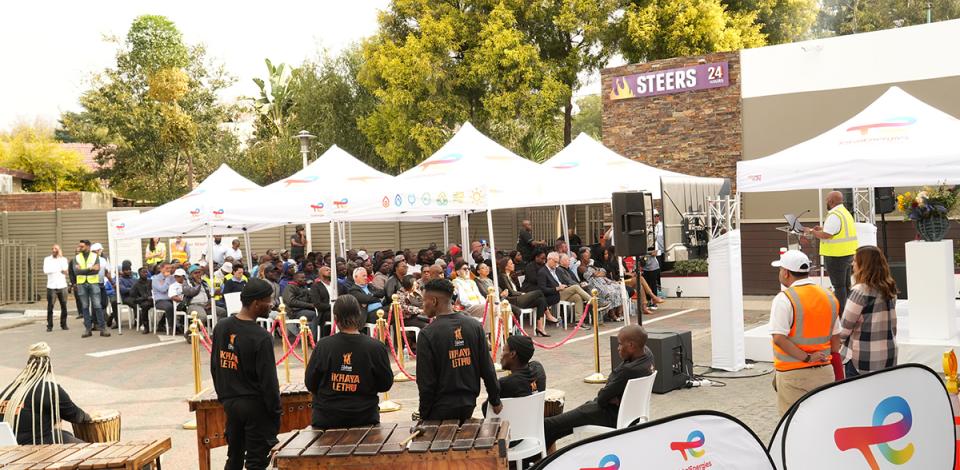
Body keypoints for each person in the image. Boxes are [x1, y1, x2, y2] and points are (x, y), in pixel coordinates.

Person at [210, 279, 281, 470]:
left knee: (234, 457)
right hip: (255, 406)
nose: (271, 304)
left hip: (231, 404)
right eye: (268, 300)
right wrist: (275, 413)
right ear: (256, 303)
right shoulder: (262, 337)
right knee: (256, 462)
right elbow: (269, 382)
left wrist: (224, 398)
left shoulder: (222, 327)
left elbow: (215, 367)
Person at [544, 325, 655, 448]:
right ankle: (547, 446)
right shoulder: (648, 355)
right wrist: (613, 395)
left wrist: (610, 393)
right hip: (630, 414)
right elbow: (608, 393)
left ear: (631, 345)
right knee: (562, 426)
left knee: (551, 424)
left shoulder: (627, 371)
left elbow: (602, 398)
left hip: (612, 415)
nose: (618, 348)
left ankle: (533, 455)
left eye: (620, 344)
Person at [416, 279, 502, 422]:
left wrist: (424, 416)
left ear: (434, 301)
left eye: (424, 301)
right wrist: (495, 399)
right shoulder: (474, 326)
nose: (422, 306)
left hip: (439, 408)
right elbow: (487, 368)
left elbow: (426, 382)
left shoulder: (427, 334)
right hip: (468, 403)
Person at [768, 250, 841, 415]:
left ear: (786, 273)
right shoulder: (829, 297)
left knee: (793, 425)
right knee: (822, 421)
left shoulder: (785, 298)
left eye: (780, 270)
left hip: (793, 375)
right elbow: (836, 342)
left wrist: (807, 358)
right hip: (824, 373)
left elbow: (779, 338)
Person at [305, 295, 394, 429]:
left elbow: (311, 383)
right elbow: (385, 384)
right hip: (364, 417)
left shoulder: (323, 346)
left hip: (327, 419)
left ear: (335, 318)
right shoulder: (375, 347)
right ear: (359, 315)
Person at [0, 342, 92, 444]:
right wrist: (88, 417)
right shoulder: (48, 390)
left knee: (64, 434)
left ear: (28, 367)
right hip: (33, 447)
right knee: (84, 448)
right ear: (48, 369)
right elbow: (75, 415)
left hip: (7, 447)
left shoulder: (8, 390)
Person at [839, 246, 898, 377]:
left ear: (863, 265)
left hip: (863, 358)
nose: (852, 264)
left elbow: (844, 328)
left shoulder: (860, 291)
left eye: (855, 261)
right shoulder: (890, 288)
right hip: (889, 354)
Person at [805, 191, 858, 312]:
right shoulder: (844, 212)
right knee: (845, 285)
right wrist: (822, 228)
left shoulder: (834, 214)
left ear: (832, 201)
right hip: (847, 253)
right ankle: (848, 311)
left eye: (827, 200)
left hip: (836, 256)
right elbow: (836, 230)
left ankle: (841, 313)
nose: (826, 202)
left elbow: (826, 235)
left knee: (839, 287)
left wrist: (812, 231)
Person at [483, 336, 547, 415]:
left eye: (503, 350)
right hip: (536, 424)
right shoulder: (538, 370)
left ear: (512, 354)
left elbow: (485, 410)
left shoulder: (505, 383)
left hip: (512, 426)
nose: (501, 355)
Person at [497, 257, 550, 337]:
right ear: (506, 266)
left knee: (541, 301)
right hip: (512, 300)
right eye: (511, 263)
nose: (513, 265)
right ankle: (548, 314)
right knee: (539, 292)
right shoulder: (502, 276)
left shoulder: (509, 276)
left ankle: (540, 327)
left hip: (518, 299)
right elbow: (511, 292)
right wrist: (522, 294)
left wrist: (522, 294)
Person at [73, 240, 109, 338]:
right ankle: (88, 329)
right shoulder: (76, 257)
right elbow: (76, 272)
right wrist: (90, 269)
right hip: (81, 284)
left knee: (97, 305)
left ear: (88, 247)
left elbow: (96, 270)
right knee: (85, 307)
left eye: (82, 246)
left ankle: (103, 328)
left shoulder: (95, 256)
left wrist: (83, 270)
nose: (80, 248)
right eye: (79, 246)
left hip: (93, 283)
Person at [578, 248, 623, 321]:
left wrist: (597, 273)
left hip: (601, 284)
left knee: (619, 288)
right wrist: (598, 273)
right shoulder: (581, 267)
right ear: (582, 257)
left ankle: (619, 313)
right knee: (610, 292)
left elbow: (603, 272)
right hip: (593, 287)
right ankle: (612, 315)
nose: (589, 258)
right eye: (587, 257)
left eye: (589, 256)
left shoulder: (591, 266)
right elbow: (594, 274)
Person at [552, 252, 594, 319]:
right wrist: (579, 285)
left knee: (578, 296)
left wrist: (581, 283)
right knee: (577, 287)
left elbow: (575, 280)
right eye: (567, 260)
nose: (569, 261)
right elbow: (568, 281)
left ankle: (579, 321)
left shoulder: (568, 270)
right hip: (561, 291)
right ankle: (595, 303)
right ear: (561, 261)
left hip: (569, 290)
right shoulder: (559, 269)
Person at [282, 272, 318, 340]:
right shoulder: (290, 287)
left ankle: (320, 336)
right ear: (295, 278)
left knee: (321, 312)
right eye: (302, 278)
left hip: (304, 309)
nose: (304, 279)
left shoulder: (304, 287)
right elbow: (291, 302)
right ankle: (313, 339)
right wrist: (310, 305)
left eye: (304, 277)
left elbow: (310, 298)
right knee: (314, 315)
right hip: (295, 311)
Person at [43, 244, 69, 332]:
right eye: (53, 249)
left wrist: (60, 259)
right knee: (50, 306)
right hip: (51, 286)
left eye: (56, 249)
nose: (54, 250)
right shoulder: (47, 259)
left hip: (62, 285)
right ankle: (49, 326)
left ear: (59, 250)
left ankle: (64, 324)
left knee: (64, 306)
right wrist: (58, 269)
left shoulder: (63, 259)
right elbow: (46, 270)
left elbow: (65, 271)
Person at [151, 262, 176, 334]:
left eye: (170, 268)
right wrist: (167, 278)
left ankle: (180, 325)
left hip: (172, 299)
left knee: (182, 305)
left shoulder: (173, 278)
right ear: (161, 269)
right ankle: (171, 326)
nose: (169, 270)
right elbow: (163, 289)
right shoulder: (156, 279)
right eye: (167, 268)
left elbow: (175, 288)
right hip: (160, 301)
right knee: (169, 307)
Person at [310, 265, 334, 336]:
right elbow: (317, 304)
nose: (329, 271)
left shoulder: (335, 284)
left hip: (338, 309)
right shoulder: (316, 286)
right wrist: (331, 306)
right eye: (327, 270)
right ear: (320, 274)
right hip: (325, 312)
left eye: (330, 270)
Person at [131, 268, 154, 334]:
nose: (145, 274)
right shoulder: (136, 284)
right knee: (145, 306)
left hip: (153, 300)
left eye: (146, 272)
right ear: (139, 273)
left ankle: (161, 324)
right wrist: (145, 298)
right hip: (143, 301)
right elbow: (133, 297)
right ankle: (146, 326)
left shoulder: (150, 281)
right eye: (143, 272)